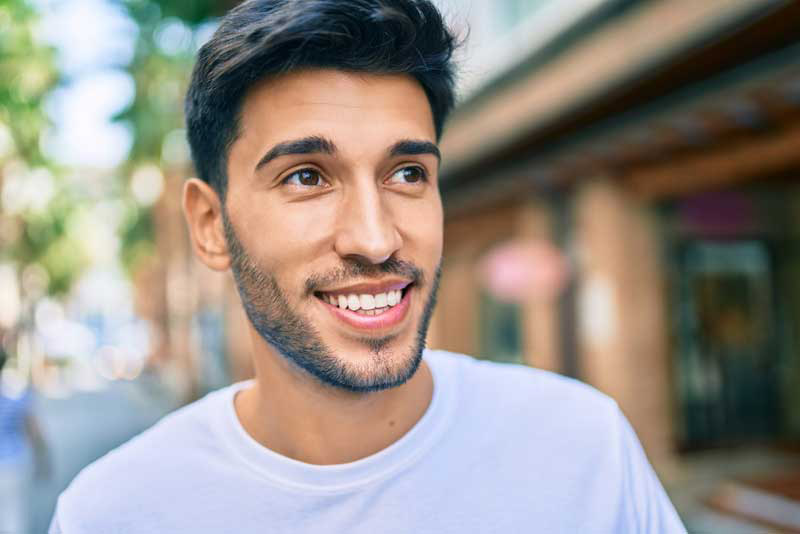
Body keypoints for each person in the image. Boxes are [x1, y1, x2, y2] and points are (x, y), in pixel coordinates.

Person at [50, 0, 686, 532]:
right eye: (306, 177)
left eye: (407, 173)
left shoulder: (581, 448)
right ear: (212, 226)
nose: (376, 238)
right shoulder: (115, 512)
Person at [1, 344, 50, 534]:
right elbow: (34, 431)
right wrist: (44, 461)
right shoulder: (15, 396)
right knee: (13, 518)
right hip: (13, 464)